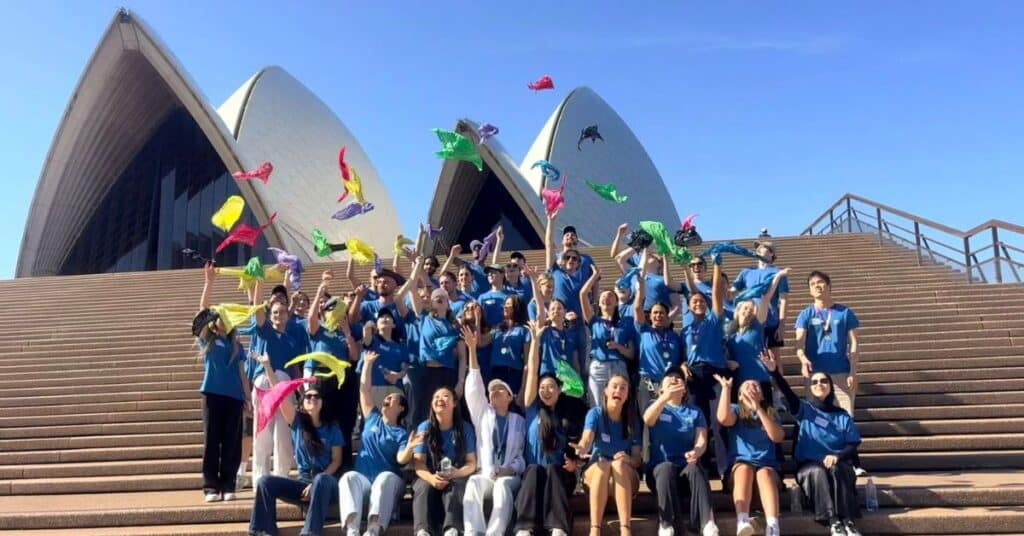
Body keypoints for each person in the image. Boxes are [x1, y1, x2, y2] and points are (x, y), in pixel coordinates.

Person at [763, 353, 863, 536]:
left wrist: (837, 456)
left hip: (838, 462)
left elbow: (852, 444)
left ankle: (848, 521)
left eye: (824, 381)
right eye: (815, 382)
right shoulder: (805, 410)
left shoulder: (842, 415)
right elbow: (789, 394)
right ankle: (833, 522)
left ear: (830, 386)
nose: (819, 384)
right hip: (809, 466)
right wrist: (775, 372)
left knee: (838, 469)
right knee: (818, 472)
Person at [513, 320, 586, 536]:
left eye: (551, 387)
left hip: (561, 476)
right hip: (535, 476)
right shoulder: (532, 409)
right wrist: (535, 341)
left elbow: (578, 448)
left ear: (559, 389)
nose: (545, 391)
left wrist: (575, 464)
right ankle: (525, 528)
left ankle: (558, 529)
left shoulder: (567, 414)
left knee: (554, 470)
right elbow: (533, 369)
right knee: (534, 470)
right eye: (542, 387)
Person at [249, 379, 344, 536]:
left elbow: (337, 460)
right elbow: (279, 393)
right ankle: (262, 530)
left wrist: (316, 482)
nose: (312, 399)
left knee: (321, 480)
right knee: (265, 481)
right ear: (302, 403)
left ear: (322, 402)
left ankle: (310, 532)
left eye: (316, 397)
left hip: (327, 483)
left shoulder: (332, 428)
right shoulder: (297, 423)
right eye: (308, 397)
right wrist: (267, 367)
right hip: (303, 484)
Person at [338, 349, 418, 536]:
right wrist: (367, 364)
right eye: (386, 398)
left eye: (392, 399)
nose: (386, 400)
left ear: (401, 408)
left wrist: (410, 448)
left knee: (384, 477)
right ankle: (352, 529)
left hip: (391, 485)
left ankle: (373, 529)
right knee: (348, 477)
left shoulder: (401, 433)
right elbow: (364, 390)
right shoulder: (372, 418)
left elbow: (401, 459)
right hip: (366, 483)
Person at [195, 262, 252, 502]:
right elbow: (202, 311)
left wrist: (248, 398)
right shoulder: (207, 339)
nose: (223, 321)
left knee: (231, 442)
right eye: (221, 317)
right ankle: (210, 487)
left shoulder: (235, 346)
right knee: (212, 441)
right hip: (212, 394)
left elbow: (242, 373)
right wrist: (209, 282)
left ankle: (228, 485)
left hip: (234, 397)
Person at [462, 326, 526, 536]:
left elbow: (522, 455)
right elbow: (474, 387)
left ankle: (494, 533)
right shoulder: (483, 415)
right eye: (492, 391)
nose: (494, 392)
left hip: (510, 476)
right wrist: (472, 350)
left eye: (500, 389)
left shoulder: (519, 421)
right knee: (473, 481)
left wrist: (510, 469)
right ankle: (474, 531)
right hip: (487, 472)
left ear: (509, 397)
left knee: (502, 487)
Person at [642, 370, 718, 536]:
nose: (674, 379)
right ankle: (666, 525)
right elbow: (648, 419)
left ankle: (707, 524)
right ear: (661, 387)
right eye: (669, 377)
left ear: (684, 389)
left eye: (678, 378)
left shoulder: (695, 411)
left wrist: (696, 452)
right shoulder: (655, 405)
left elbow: (702, 440)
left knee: (696, 468)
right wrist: (664, 397)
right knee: (666, 467)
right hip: (660, 472)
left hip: (685, 470)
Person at [714, 376, 785, 536]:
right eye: (747, 386)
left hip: (767, 468)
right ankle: (742, 520)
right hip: (741, 470)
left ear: (762, 395)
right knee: (744, 468)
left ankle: (773, 526)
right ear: (739, 395)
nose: (752, 387)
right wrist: (726, 389)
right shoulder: (735, 410)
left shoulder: (770, 412)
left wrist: (758, 409)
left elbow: (778, 437)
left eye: (756, 386)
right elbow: (723, 419)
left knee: (764, 472)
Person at [306, 270, 361, 472]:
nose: (334, 312)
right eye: (330, 309)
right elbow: (311, 317)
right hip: (321, 378)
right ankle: (321, 467)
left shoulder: (345, 333)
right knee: (323, 421)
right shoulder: (318, 330)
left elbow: (354, 356)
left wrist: (347, 333)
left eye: (338, 309)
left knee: (344, 422)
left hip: (343, 380)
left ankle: (344, 466)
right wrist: (322, 290)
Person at [250, 296, 307, 486]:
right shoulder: (265, 331)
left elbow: (295, 368)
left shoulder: (291, 340)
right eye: (275, 312)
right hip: (266, 379)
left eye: (282, 312)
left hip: (285, 382)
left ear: (288, 315)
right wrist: (257, 282)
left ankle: (281, 476)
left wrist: (302, 391)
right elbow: (258, 314)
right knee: (263, 430)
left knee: (283, 432)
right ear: (270, 316)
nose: (279, 315)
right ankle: (260, 478)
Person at [575, 374, 642, 536]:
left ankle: (625, 530)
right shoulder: (595, 414)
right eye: (614, 386)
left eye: (623, 388)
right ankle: (595, 529)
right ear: (605, 391)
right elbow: (587, 438)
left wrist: (628, 460)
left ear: (627, 395)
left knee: (618, 464)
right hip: (597, 479)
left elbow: (637, 460)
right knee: (603, 464)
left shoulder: (632, 420)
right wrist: (581, 448)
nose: (618, 390)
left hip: (624, 481)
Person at [680, 257, 729, 476]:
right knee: (697, 421)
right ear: (689, 307)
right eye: (694, 302)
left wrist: (717, 267)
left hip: (716, 373)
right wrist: (682, 365)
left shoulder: (714, 320)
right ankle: (699, 466)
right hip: (695, 375)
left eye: (702, 301)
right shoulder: (686, 330)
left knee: (719, 422)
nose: (698, 303)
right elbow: (681, 355)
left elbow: (717, 294)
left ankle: (724, 469)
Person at [412, 386, 478, 536]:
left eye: (445, 396)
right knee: (423, 486)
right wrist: (431, 478)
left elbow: (471, 463)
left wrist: (457, 473)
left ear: (454, 403)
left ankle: (452, 529)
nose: (440, 400)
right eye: (436, 397)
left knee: (457, 485)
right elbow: (419, 463)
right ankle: (422, 531)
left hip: (455, 475)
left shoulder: (464, 428)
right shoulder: (424, 427)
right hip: (430, 475)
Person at [409, 257, 467, 427]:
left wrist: (460, 382)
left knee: (448, 416)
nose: (440, 299)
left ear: (449, 303)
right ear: (431, 302)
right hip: (426, 373)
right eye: (436, 297)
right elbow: (412, 289)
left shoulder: (455, 325)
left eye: (443, 298)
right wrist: (418, 265)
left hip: (447, 374)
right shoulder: (424, 318)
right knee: (425, 416)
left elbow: (463, 357)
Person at [633, 249, 685, 412]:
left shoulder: (674, 337)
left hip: (670, 383)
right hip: (648, 384)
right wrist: (640, 289)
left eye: (662, 313)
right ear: (650, 316)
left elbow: (682, 359)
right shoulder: (644, 330)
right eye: (655, 313)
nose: (658, 316)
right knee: (647, 421)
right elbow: (637, 307)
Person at [580, 266, 635, 407]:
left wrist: (618, 347)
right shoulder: (593, 320)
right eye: (603, 297)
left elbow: (631, 353)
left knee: (620, 407)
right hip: (598, 367)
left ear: (617, 302)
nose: (606, 299)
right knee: (597, 406)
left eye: (611, 296)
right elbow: (582, 294)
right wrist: (594, 276)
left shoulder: (626, 323)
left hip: (619, 366)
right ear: (598, 302)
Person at [730, 241, 789, 366]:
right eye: (758, 248)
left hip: (770, 320)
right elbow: (732, 292)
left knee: (774, 357)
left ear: (772, 253)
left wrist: (782, 324)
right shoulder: (746, 272)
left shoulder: (778, 273)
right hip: (749, 319)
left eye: (764, 247)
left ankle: (778, 385)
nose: (760, 249)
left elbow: (783, 299)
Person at [487, 294, 533, 396]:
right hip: (496, 372)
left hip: (513, 374)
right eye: (504, 305)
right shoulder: (497, 328)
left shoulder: (524, 330)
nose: (505, 307)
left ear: (516, 308)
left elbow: (527, 363)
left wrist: (523, 388)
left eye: (508, 305)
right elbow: (481, 342)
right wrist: (477, 319)